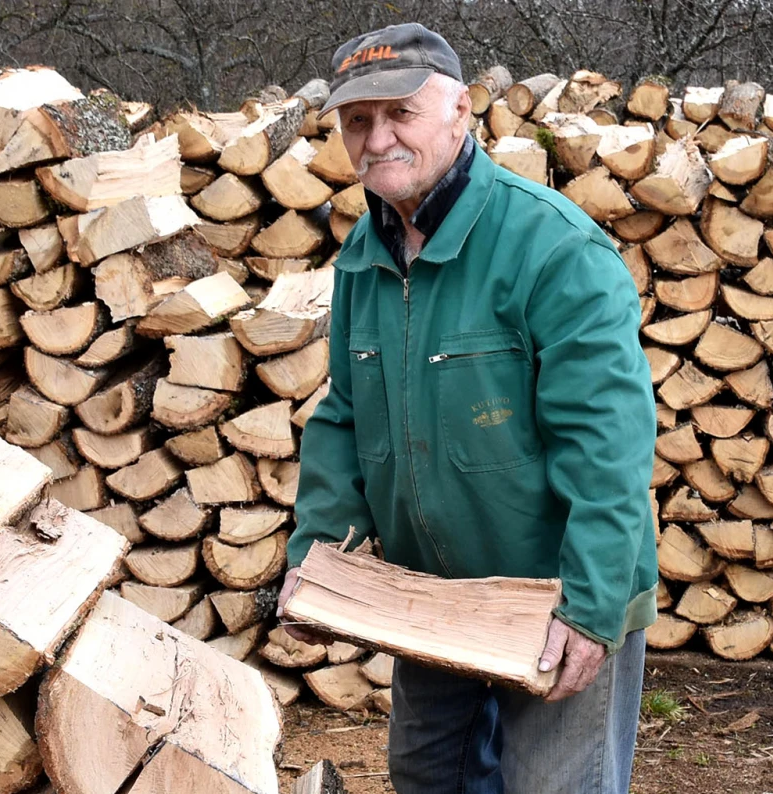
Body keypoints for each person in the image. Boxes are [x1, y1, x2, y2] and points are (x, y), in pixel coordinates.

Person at [276, 22, 659, 794]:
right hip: (429, 597)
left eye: (400, 113)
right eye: (358, 120)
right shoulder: (364, 255)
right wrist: (316, 556)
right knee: (426, 777)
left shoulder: (552, 248)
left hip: (550, 591)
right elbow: (345, 416)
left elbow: (608, 447)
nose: (377, 138)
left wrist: (589, 608)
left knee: (553, 786)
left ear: (461, 109)